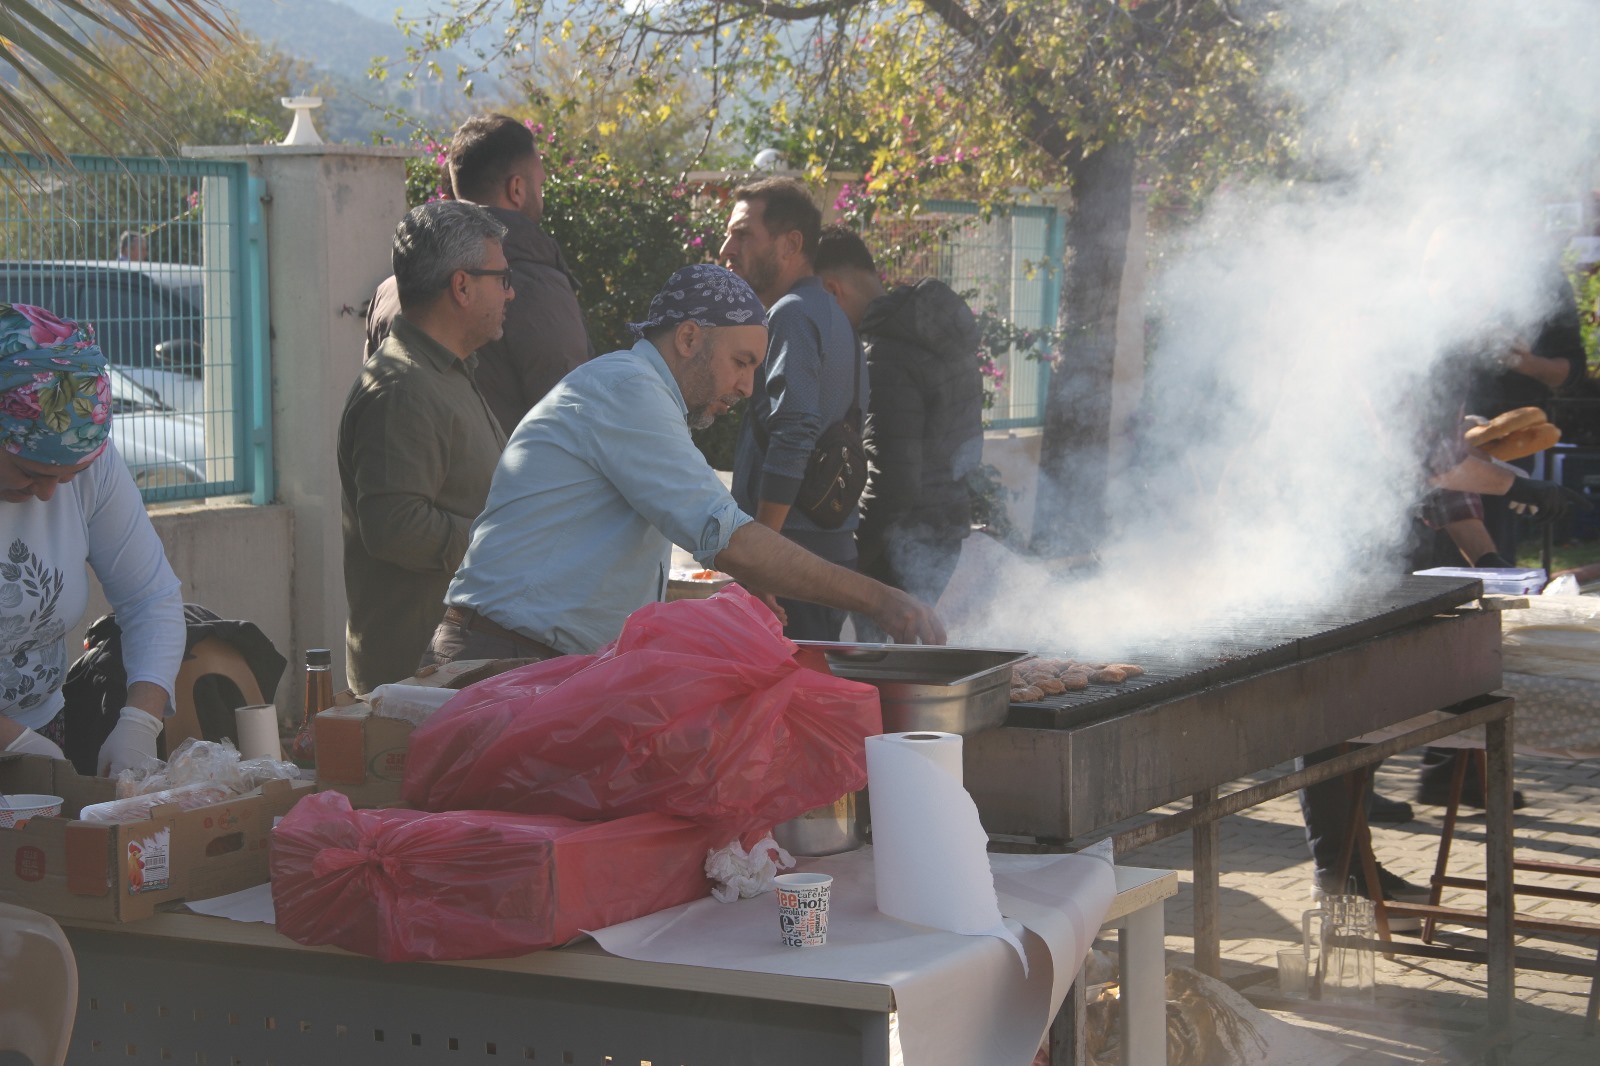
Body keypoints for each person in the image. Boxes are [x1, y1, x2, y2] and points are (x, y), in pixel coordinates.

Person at [423, 264, 944, 669]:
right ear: (690, 338)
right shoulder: (629, 390)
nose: (745, 387)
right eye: (741, 363)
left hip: (531, 656)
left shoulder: (640, 395)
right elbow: (731, 538)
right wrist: (880, 599)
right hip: (502, 660)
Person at [0, 303, 184, 776]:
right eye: (31, 473)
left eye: (67, 477)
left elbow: (151, 598)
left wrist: (141, 720)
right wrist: (11, 740)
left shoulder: (89, 463)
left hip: (40, 731)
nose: (46, 494)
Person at [338, 202, 512, 693]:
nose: (511, 292)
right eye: (502, 277)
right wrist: (505, 539)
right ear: (462, 285)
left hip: (450, 672)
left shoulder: (446, 372)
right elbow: (395, 529)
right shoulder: (402, 388)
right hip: (412, 682)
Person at [365, 113, 590, 435]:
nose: (507, 291)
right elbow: (574, 416)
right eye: (540, 183)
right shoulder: (536, 286)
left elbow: (377, 399)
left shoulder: (391, 289)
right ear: (517, 188)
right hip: (510, 483)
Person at [814, 225, 984, 636]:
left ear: (832, 290)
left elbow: (894, 477)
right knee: (904, 660)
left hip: (899, 545)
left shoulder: (886, 352)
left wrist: (853, 559)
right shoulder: (937, 334)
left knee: (881, 673)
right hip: (943, 532)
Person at [721, 178, 868, 642]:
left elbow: (795, 430)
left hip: (794, 562)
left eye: (743, 234)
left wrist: (761, 557)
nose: (727, 248)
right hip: (821, 552)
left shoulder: (791, 314)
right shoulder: (829, 311)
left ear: (791, 244)